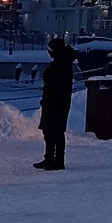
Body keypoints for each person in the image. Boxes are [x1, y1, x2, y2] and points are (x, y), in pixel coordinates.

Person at [37, 35, 77, 170]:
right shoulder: (60, 62)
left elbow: (57, 86)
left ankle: (58, 161)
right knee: (49, 131)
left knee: (56, 132)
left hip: (56, 103)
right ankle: (49, 158)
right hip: (53, 102)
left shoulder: (61, 64)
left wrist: (48, 99)